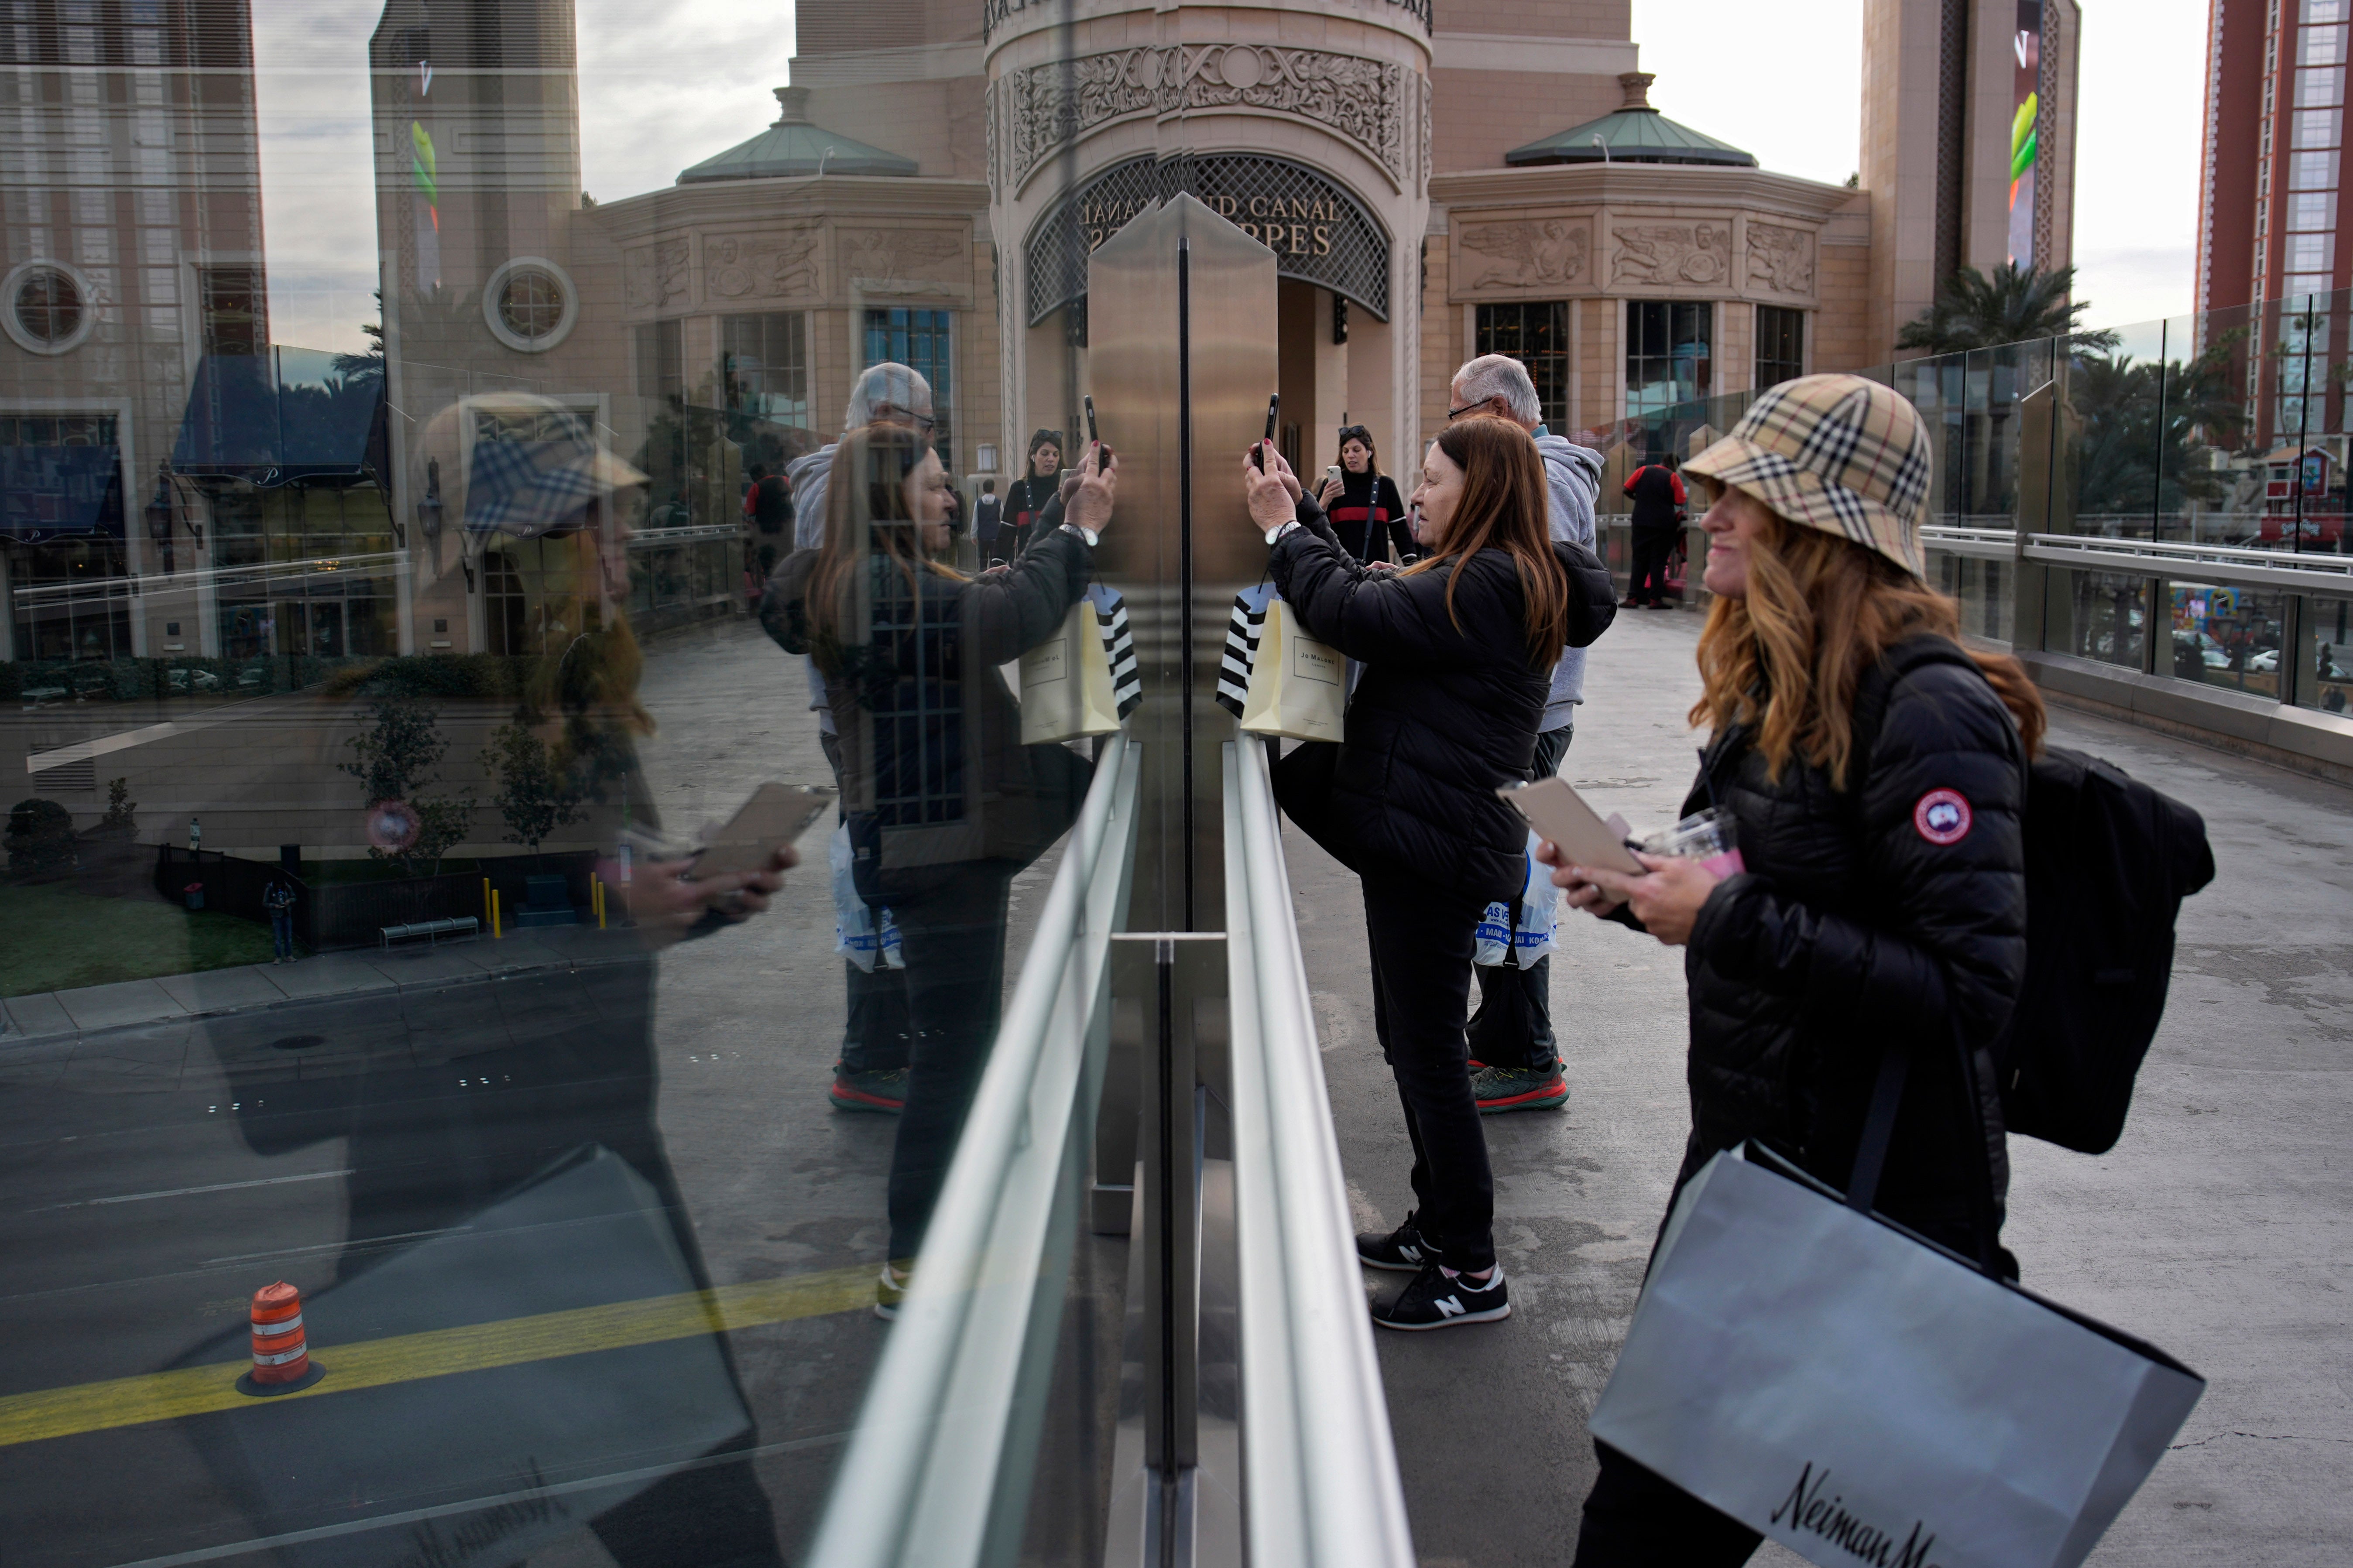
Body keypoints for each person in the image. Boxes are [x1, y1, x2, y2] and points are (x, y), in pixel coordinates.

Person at [1539, 375, 2042, 1565]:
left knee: (1667, 1524)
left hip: (1865, 1203)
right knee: (1659, 1507)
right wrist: (1639, 884)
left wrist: (1721, 922)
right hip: (1755, 1165)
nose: (1710, 514)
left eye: (1742, 498)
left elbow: (1972, 988)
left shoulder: (1930, 711)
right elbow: (1758, 885)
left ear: (1819, 530)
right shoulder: (1775, 681)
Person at [1245, 418, 1609, 1332]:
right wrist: (1305, 519)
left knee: (1430, 1055)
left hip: (1431, 845)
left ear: (1478, 492)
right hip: (1424, 838)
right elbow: (1374, 596)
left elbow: (1353, 614)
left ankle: (1471, 1270)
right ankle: (1438, 1224)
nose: (1418, 493)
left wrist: (1284, 532)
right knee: (1413, 1041)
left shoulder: (1487, 582)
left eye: (1434, 480)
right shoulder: (1486, 575)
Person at [766, 427, 1117, 1316]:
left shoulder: (866, 585)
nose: (950, 501)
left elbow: (989, 600)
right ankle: (913, 1264)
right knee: (949, 1058)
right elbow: (1009, 618)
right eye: (932, 487)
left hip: (934, 837)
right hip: (939, 844)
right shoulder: (882, 595)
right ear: (889, 500)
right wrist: (1074, 530)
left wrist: (1058, 519)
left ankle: (952, 1232)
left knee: (956, 1048)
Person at [1446, 353, 1606, 1115]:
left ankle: (1526, 1054)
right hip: (1537, 711)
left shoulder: (1542, 475)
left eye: (1459, 418)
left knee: (1512, 890)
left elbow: (1522, 592)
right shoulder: (1544, 469)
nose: (1453, 436)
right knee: (1517, 880)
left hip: (1529, 715)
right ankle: (1511, 1036)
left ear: (1499, 413)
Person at [780, 363, 937, 1111]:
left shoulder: (845, 478)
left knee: (879, 868)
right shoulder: (835, 484)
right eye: (920, 429)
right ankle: (871, 1057)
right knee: (876, 872)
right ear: (882, 414)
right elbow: (857, 601)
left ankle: (887, 1048)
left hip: (863, 710)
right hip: (858, 716)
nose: (926, 449)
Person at [1314, 422, 1414, 563]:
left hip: (1376, 575)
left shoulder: (1386, 486)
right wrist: (1324, 503)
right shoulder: (1332, 487)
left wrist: (1414, 568)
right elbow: (1316, 532)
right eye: (1346, 451)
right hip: (1340, 574)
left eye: (1356, 450)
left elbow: (1401, 533)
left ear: (1369, 451)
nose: (1351, 456)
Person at [1622, 454, 1686, 608]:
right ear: (1675, 465)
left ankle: (1633, 598)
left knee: (1639, 560)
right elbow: (1681, 501)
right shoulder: (1673, 477)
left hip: (1641, 523)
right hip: (1663, 525)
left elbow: (1626, 489)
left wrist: (1640, 498)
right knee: (1658, 561)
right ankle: (1655, 600)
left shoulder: (1642, 471)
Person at [995, 429, 1064, 567]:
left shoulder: (1066, 487)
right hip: (1029, 570)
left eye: (1056, 455)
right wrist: (996, 566)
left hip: (1061, 569)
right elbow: (1007, 533)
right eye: (1045, 454)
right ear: (1033, 455)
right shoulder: (1019, 489)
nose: (1051, 459)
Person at [263, 876, 297, 964]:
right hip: (277, 916)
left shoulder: (287, 887)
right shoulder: (270, 889)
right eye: (278, 885)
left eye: (280, 885)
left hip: (286, 915)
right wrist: (274, 906)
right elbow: (265, 903)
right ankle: (278, 957)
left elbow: (294, 897)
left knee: (288, 937)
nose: (279, 887)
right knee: (278, 938)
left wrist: (289, 901)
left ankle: (288, 955)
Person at [972, 477, 1002, 558]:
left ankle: (983, 570)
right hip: (995, 535)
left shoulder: (978, 503)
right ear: (994, 489)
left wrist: (973, 535)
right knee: (994, 559)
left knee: (983, 560)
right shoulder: (999, 503)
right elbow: (1003, 519)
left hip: (982, 536)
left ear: (984, 490)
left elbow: (975, 520)